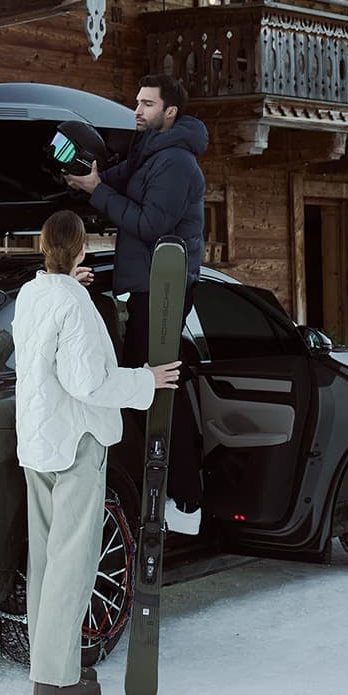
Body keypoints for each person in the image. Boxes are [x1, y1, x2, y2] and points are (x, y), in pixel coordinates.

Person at [12, 209, 179, 695]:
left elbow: (50, 337)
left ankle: (48, 665)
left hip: (38, 443)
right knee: (73, 560)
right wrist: (147, 380)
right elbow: (89, 382)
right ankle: (57, 680)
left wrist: (72, 285)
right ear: (82, 249)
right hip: (75, 443)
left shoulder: (33, 294)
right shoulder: (74, 305)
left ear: (45, 248)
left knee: (44, 559)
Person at [63, 74, 207, 533]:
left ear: (171, 112)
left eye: (148, 104)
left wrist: (96, 191)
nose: (138, 110)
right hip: (143, 288)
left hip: (165, 289)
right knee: (145, 384)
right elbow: (110, 180)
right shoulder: (147, 153)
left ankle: (185, 498)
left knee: (157, 386)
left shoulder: (178, 164)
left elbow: (150, 224)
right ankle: (161, 485)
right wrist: (82, 177)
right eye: (137, 102)